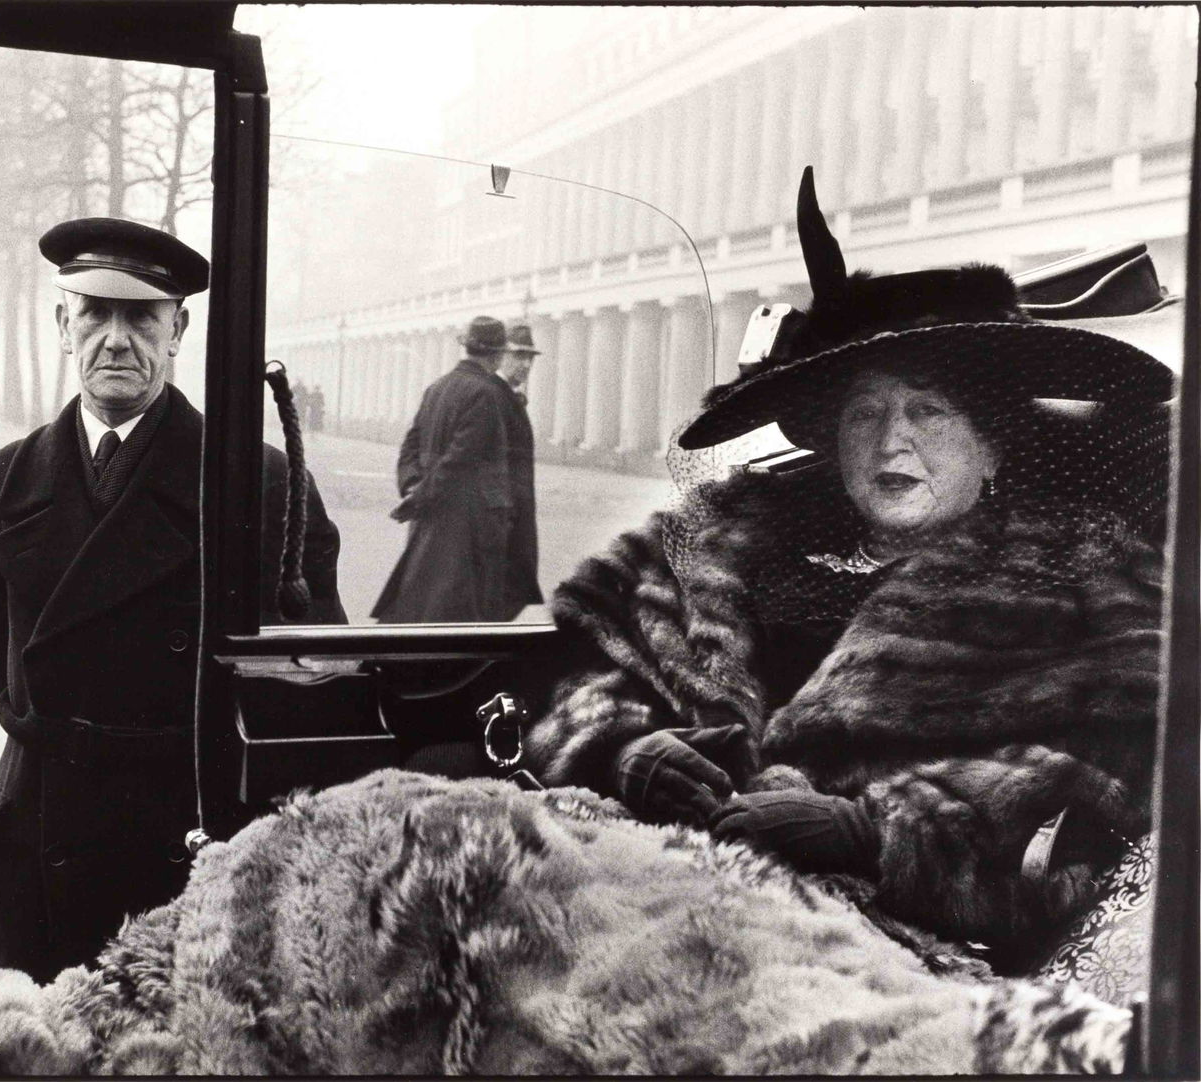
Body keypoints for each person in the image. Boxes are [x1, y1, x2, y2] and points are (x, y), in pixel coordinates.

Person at [525, 168, 1171, 974]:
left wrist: (873, 833)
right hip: (653, 896)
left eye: (928, 411)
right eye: (864, 413)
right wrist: (625, 751)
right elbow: (575, 675)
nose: (889, 441)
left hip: (896, 956)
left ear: (995, 441)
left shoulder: (1084, 574)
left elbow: (1116, 787)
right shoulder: (712, 544)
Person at [0, 216, 347, 982]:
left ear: (179, 331)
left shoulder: (259, 489)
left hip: (182, 858)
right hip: (36, 851)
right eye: (96, 313)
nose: (116, 338)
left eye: (142, 317)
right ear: (63, 325)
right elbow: (7, 677)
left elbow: (315, 689)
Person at [372, 315, 516, 622]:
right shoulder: (487, 394)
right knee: (455, 609)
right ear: (497, 355)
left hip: (428, 514)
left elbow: (410, 445)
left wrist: (412, 487)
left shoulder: (436, 389)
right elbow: (460, 459)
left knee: (420, 596)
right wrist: (421, 496)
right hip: (465, 518)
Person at [498, 322, 543, 618]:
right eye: (518, 356)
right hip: (503, 518)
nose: (525, 364)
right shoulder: (493, 396)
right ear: (500, 355)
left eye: (529, 358)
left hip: (516, 515)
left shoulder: (511, 397)